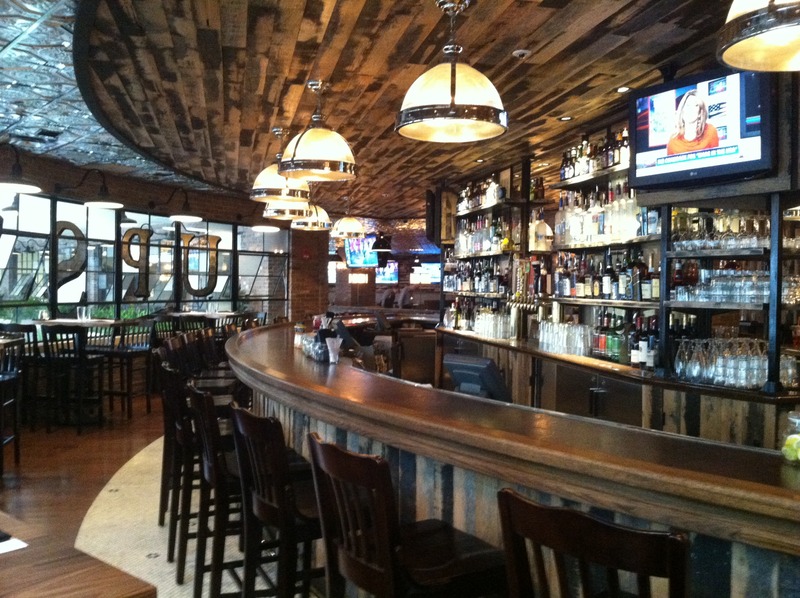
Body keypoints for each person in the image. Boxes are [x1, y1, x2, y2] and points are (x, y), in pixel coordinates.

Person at [666, 90, 719, 155]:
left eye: (696, 105)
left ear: (700, 112)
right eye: (688, 105)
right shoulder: (673, 141)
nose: (691, 109)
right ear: (682, 110)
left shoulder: (710, 131)